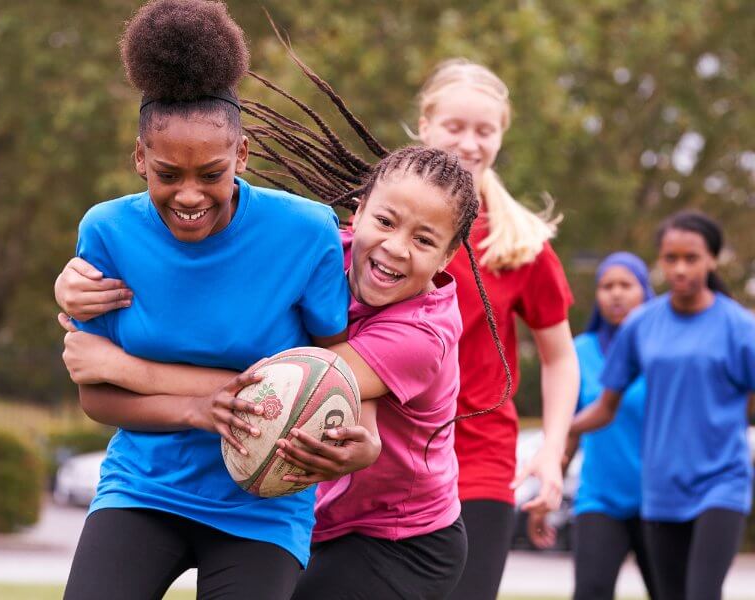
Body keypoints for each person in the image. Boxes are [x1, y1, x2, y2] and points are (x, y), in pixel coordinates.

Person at [55, 1, 353, 598]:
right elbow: (95, 395)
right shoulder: (108, 232)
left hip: (263, 502)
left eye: (211, 173)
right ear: (140, 159)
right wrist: (198, 408)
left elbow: (338, 363)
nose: (189, 194)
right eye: (168, 174)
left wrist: (357, 437)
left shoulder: (306, 231)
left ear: (241, 157)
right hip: (143, 485)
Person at [414, 58, 580, 598]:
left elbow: (558, 356)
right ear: (425, 125)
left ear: (501, 136)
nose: (469, 142)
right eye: (455, 127)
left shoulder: (519, 245)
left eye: (484, 130)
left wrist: (552, 450)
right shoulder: (377, 224)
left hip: (480, 466)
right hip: (384, 455)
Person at [570, 210, 755, 600]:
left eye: (691, 258)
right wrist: (563, 432)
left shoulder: (739, 327)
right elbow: (606, 406)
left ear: (712, 259)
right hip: (661, 488)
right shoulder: (642, 325)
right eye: (671, 258)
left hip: (721, 482)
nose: (680, 268)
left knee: (702, 593)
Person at [527, 252, 658, 600]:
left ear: (645, 291)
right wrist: (546, 495)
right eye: (606, 286)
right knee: (591, 591)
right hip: (600, 499)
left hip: (661, 499)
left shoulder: (664, 350)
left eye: (626, 285)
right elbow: (566, 430)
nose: (615, 294)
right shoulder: (579, 353)